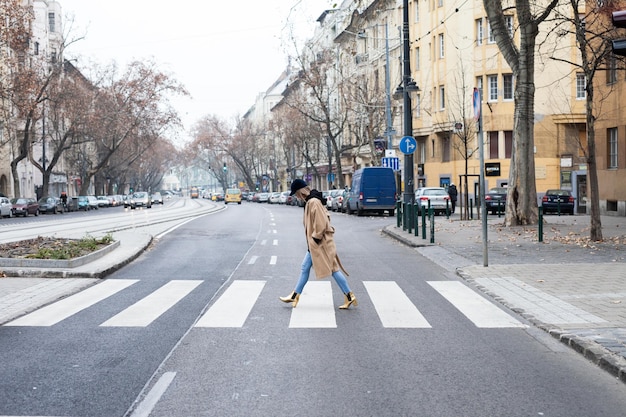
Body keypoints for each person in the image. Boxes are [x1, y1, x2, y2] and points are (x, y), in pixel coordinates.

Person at [280, 179, 357, 309]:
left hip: (320, 243)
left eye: (296, 194)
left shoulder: (313, 202)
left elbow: (321, 223)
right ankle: (295, 295)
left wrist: (315, 239)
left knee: (332, 269)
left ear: (300, 192)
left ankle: (349, 295)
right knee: (309, 267)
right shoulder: (311, 201)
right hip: (318, 243)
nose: (296, 197)